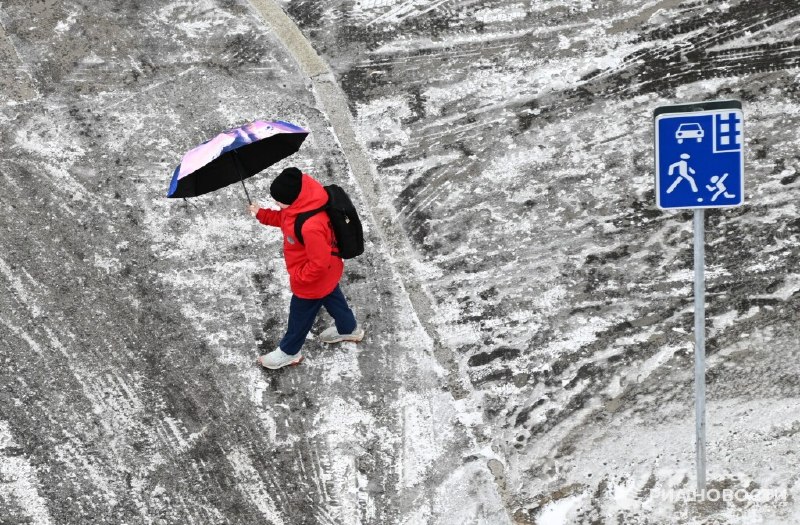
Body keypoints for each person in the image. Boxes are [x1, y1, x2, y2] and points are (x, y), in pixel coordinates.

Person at [248, 167, 365, 369]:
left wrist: (301, 278)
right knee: (332, 296)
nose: (276, 203)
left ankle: (289, 351)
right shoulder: (302, 206)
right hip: (328, 272)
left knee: (299, 317)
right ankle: (349, 329)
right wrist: (262, 214)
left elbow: (318, 263)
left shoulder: (311, 226)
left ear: (293, 199)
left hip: (313, 278)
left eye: (279, 200)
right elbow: (285, 220)